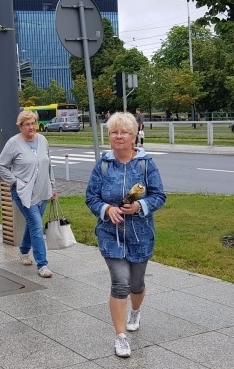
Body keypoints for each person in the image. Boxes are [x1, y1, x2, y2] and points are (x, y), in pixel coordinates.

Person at [85, 112, 166, 358]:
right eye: (114, 132)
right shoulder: (103, 165)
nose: (119, 136)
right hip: (110, 233)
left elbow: (159, 195)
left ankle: (135, 312)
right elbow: (91, 197)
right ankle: (120, 336)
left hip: (141, 233)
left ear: (134, 136)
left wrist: (140, 206)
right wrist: (106, 209)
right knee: (121, 283)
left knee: (136, 284)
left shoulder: (145, 164)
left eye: (124, 132)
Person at [0, 110, 58, 278]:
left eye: (33, 123)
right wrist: (14, 181)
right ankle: (42, 264)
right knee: (37, 225)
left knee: (33, 224)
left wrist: (53, 186)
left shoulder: (43, 140)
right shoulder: (13, 143)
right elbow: (1, 166)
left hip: (43, 190)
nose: (31, 127)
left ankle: (24, 250)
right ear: (20, 126)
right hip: (24, 193)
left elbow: (48, 165)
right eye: (27, 124)